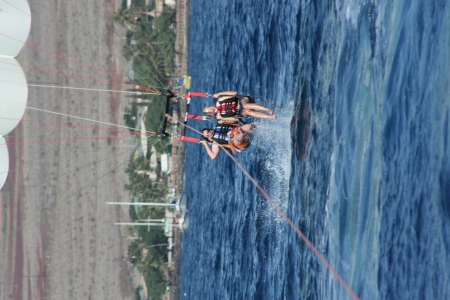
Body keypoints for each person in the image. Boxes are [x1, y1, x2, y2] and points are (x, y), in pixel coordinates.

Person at [203, 91, 276, 124]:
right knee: (248, 111)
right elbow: (235, 119)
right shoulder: (220, 117)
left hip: (241, 100)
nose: (210, 109)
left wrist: (219, 94)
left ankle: (267, 109)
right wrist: (223, 119)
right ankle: (269, 117)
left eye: (209, 107)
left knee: (245, 106)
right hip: (240, 112)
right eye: (209, 111)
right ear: (211, 115)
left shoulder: (220, 100)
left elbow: (234, 93)